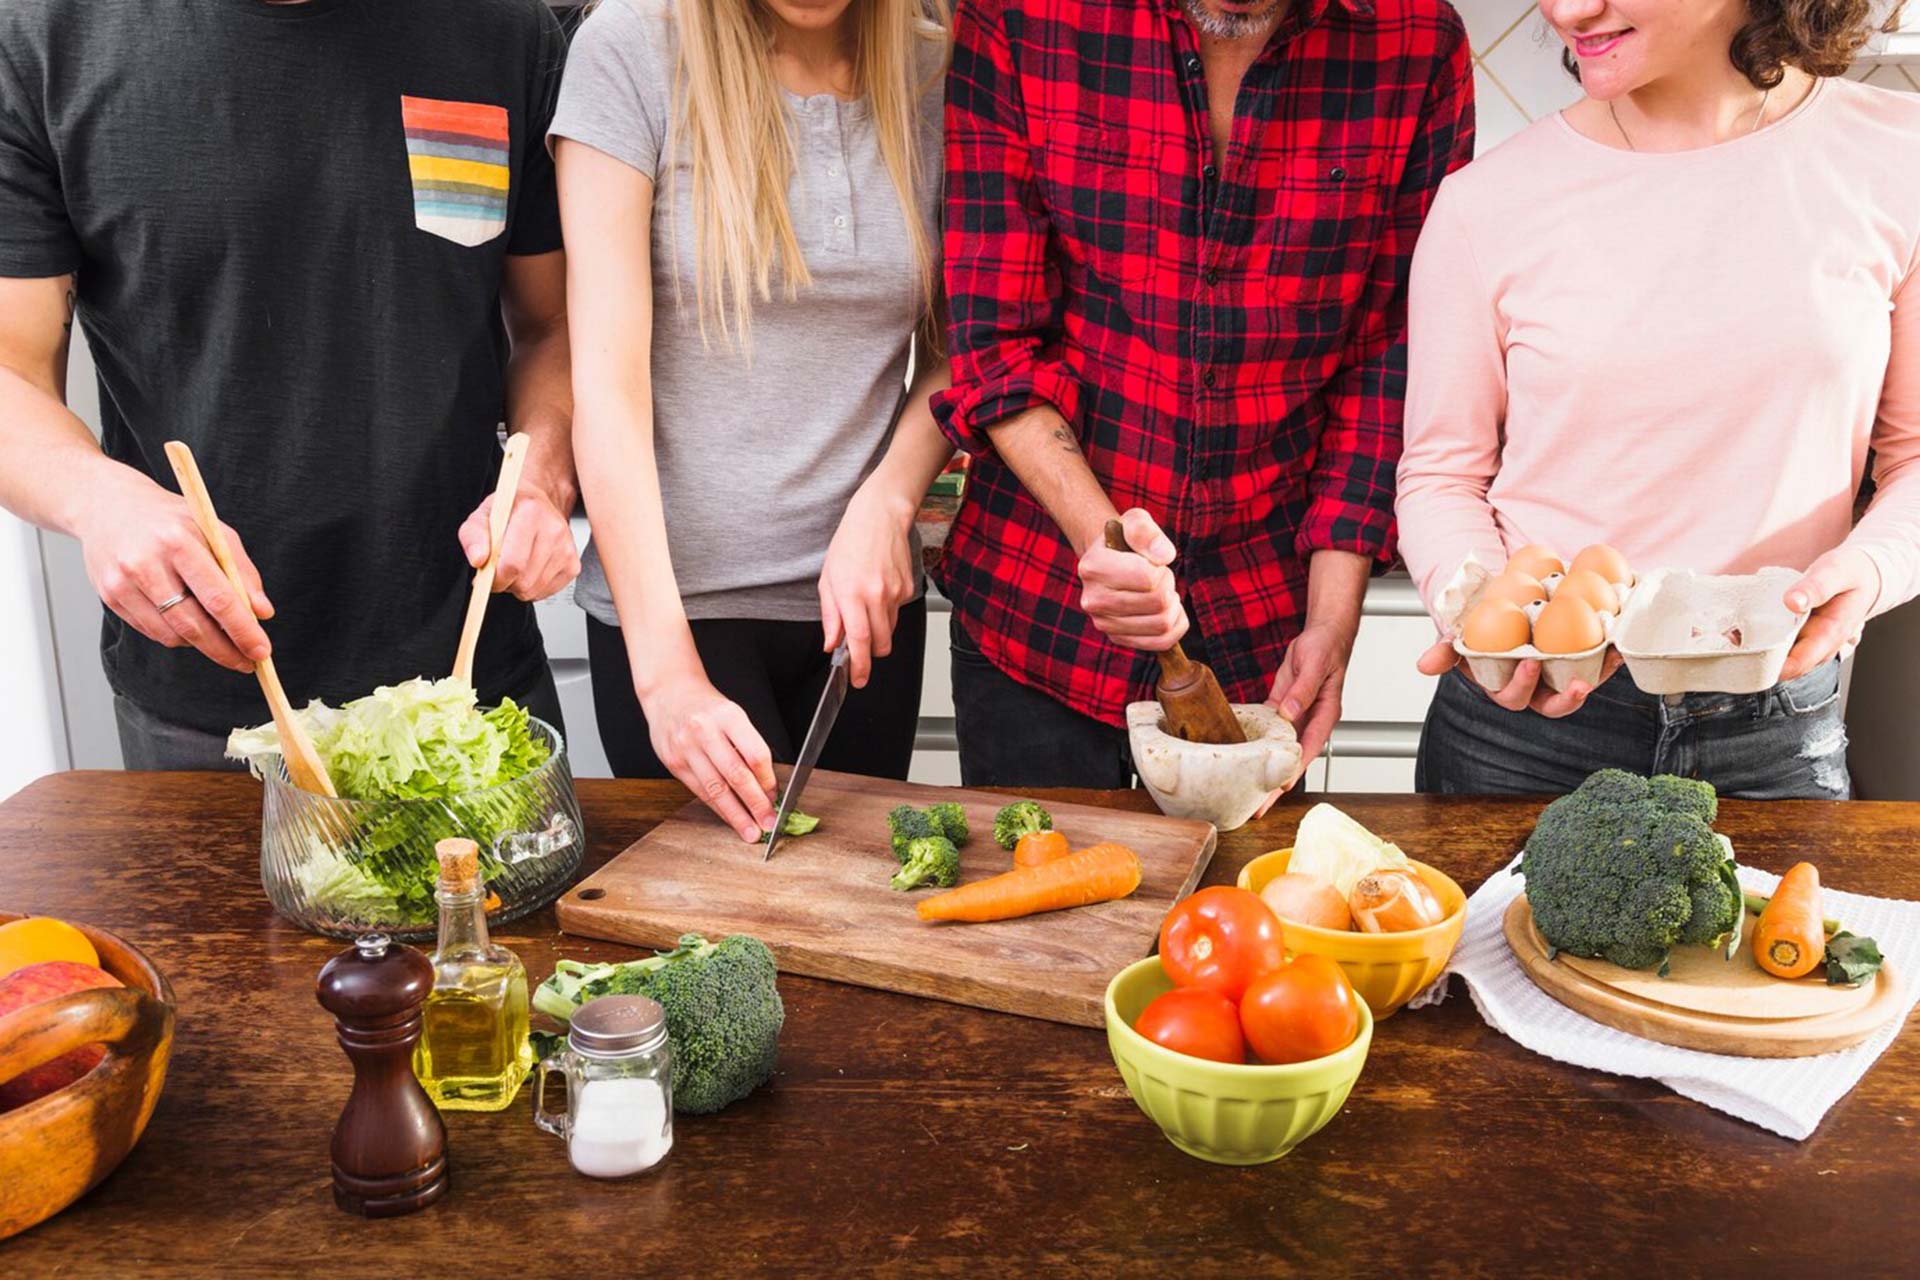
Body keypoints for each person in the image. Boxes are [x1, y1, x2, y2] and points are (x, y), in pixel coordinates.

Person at [0, 0, 581, 770]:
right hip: (207, 704)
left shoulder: (505, 30)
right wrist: (98, 498)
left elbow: (555, 328)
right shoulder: (45, 38)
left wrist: (539, 481)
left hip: (470, 681)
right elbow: (11, 366)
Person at [933, 0, 1474, 789]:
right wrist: (1106, 544)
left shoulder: (1415, 40)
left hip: (1269, 631)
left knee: (1251, 910)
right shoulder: (1020, 14)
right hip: (1038, 612)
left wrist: (1332, 622)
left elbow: (1386, 358)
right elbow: (997, 339)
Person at [1397, 0, 1920, 798]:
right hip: (1524, 731)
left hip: (1774, 725)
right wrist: (1479, 616)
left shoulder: (1897, 156)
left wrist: (1870, 571)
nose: (1569, 10)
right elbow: (1441, 475)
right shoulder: (1484, 204)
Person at [553, 0, 954, 841]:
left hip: (866, 614)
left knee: (843, 935)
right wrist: (666, 680)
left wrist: (888, 503)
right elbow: (608, 387)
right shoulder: (628, 49)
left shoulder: (940, 73)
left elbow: (967, 348)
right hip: (677, 615)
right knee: (709, 951)